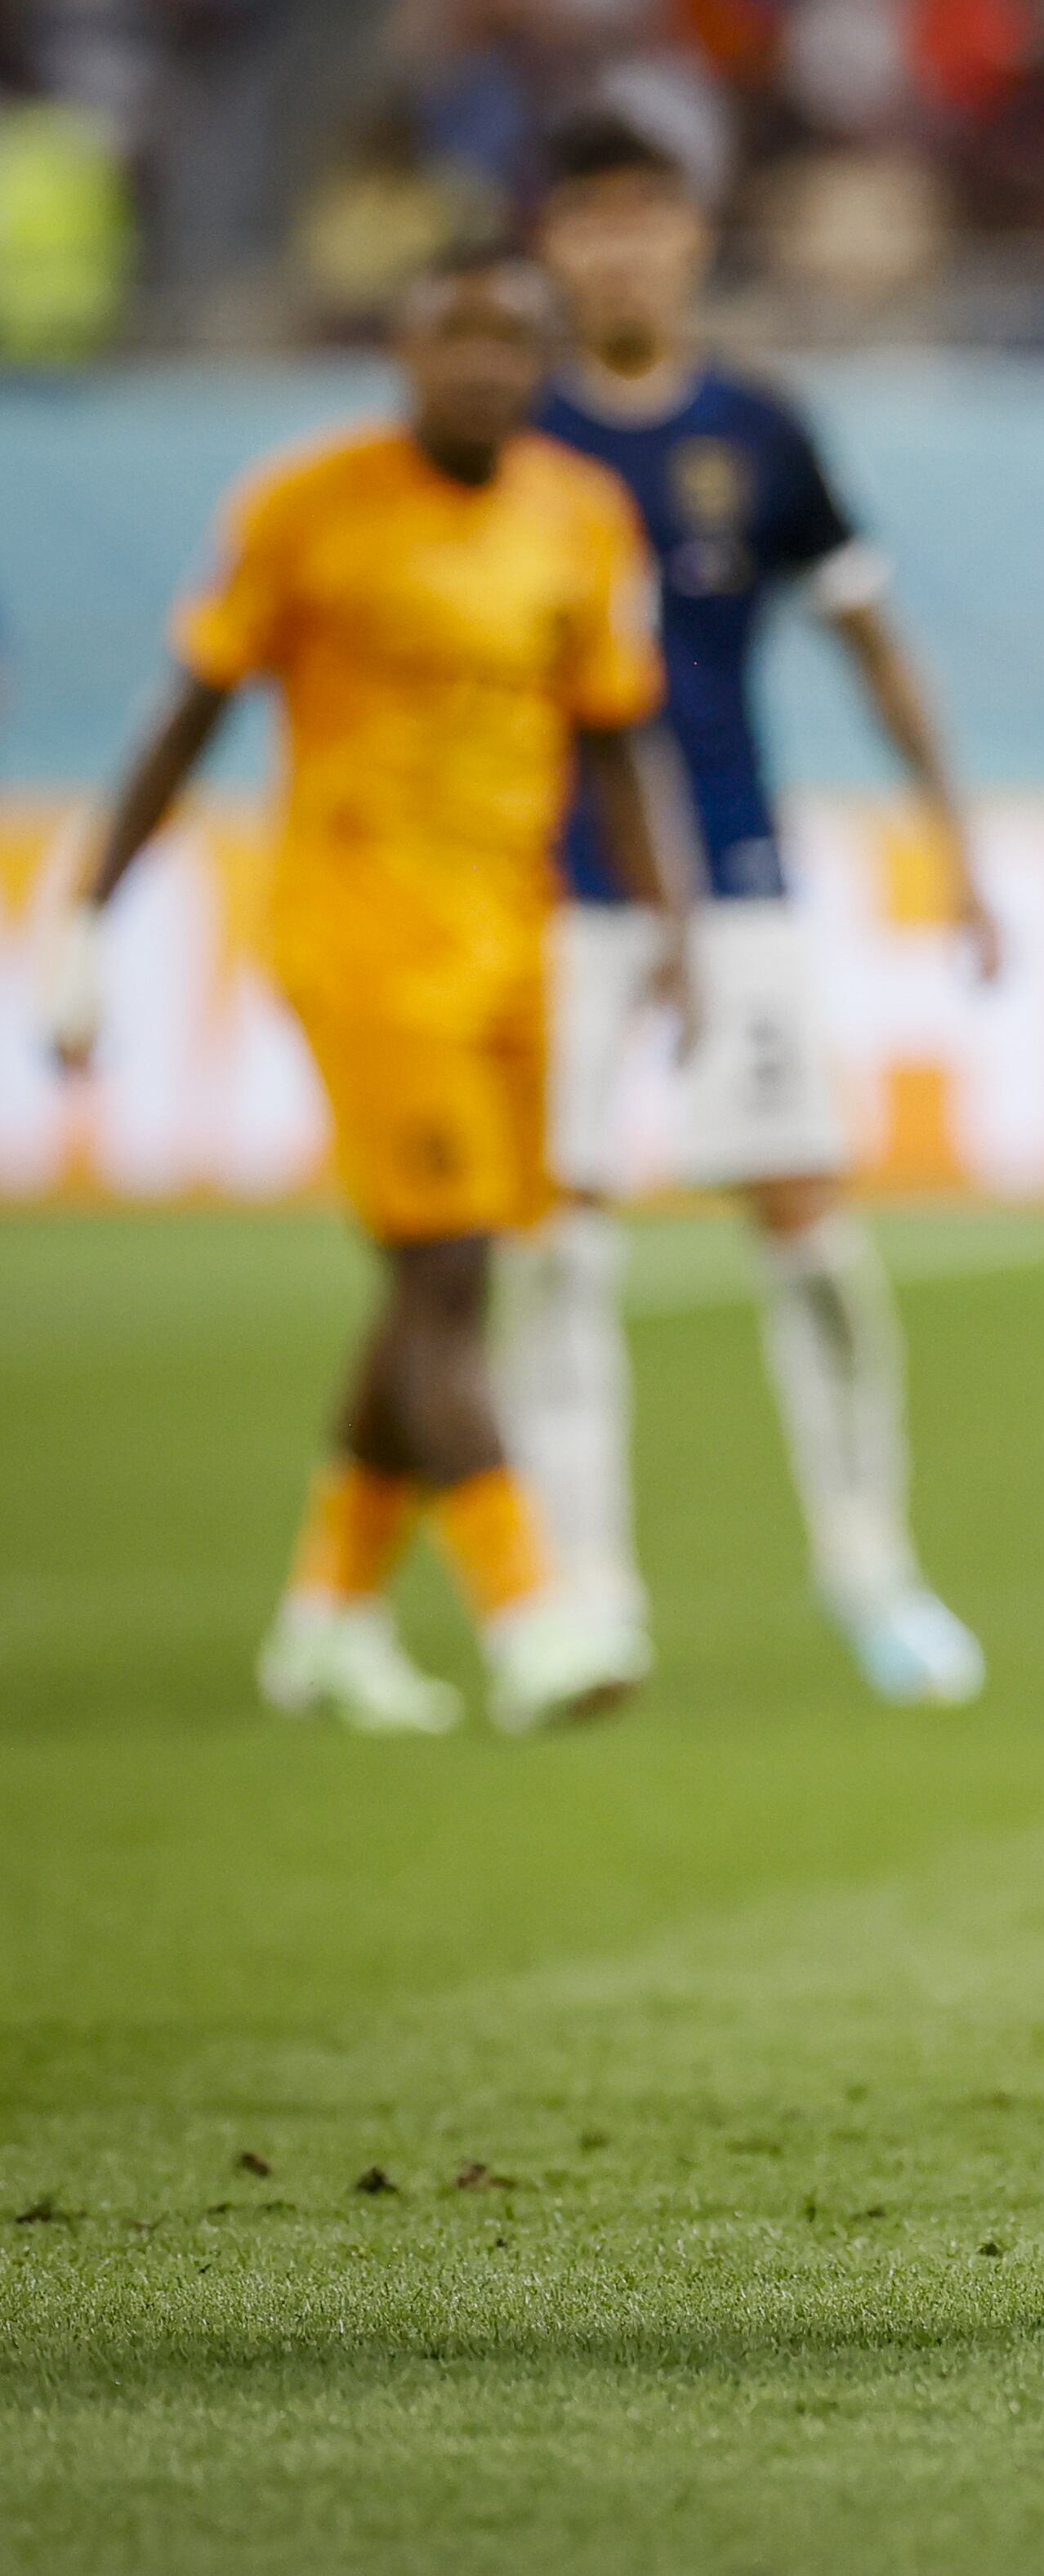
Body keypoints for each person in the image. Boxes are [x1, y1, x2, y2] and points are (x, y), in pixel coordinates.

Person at [42, 247, 685, 1737]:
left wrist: (659, 929)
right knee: (448, 1270)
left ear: (543, 362)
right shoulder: (302, 504)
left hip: (512, 944)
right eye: (454, 336)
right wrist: (83, 916)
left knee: (432, 1279)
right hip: (357, 942)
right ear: (403, 347)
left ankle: (325, 1616)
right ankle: (532, 1618)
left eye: (511, 343)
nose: (482, 367)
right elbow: (187, 714)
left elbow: (612, 736)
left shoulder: (580, 517)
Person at [506, 105, 997, 1707]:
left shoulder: (758, 431)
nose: (622, 245)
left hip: (736, 881)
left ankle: (874, 1569)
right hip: (550, 893)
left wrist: (958, 841)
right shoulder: (502, 433)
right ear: (549, 246)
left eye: (647, 215)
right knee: (558, 1251)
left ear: (691, 237)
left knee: (806, 1227)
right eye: (590, 219)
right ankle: (587, 1592)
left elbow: (871, 639)